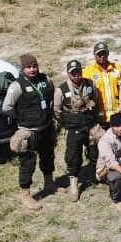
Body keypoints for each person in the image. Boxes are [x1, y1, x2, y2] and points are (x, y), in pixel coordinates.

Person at [2, 53, 57, 212]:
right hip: (28, 131)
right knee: (28, 163)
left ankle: (49, 184)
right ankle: (25, 194)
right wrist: (20, 117)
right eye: (28, 67)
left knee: (48, 156)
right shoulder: (17, 86)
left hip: (46, 127)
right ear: (22, 68)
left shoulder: (45, 79)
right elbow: (6, 107)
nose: (32, 70)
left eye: (34, 66)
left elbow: (52, 95)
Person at [53, 59, 98, 202]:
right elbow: (57, 110)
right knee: (73, 155)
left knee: (94, 151)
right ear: (68, 74)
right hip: (74, 127)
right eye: (73, 73)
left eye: (78, 72)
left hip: (90, 125)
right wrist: (67, 121)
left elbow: (96, 100)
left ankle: (94, 176)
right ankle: (74, 182)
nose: (76, 75)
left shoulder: (90, 84)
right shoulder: (61, 90)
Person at [83, 41, 121, 126]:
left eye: (104, 53)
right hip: (99, 116)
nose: (102, 56)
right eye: (99, 54)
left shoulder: (117, 68)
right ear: (94, 55)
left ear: (108, 53)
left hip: (117, 114)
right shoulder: (88, 72)